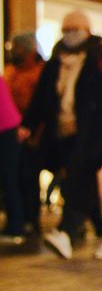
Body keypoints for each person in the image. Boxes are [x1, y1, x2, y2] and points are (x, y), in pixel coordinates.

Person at [19, 11, 102, 260]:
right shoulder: (55, 61)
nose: (71, 33)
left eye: (75, 28)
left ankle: (66, 232)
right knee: (87, 188)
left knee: (79, 183)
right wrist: (28, 124)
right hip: (63, 134)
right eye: (66, 28)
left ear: (87, 29)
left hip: (96, 134)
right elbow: (42, 98)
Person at [4, 32, 45, 237]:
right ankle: (23, 219)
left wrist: (34, 131)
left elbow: (41, 104)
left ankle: (30, 219)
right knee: (17, 177)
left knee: (29, 177)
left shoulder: (40, 71)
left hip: (32, 132)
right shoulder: (11, 71)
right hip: (13, 131)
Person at [0, 74, 24, 244]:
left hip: (6, 132)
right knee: (10, 180)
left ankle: (16, 227)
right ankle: (16, 225)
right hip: (10, 131)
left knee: (9, 180)